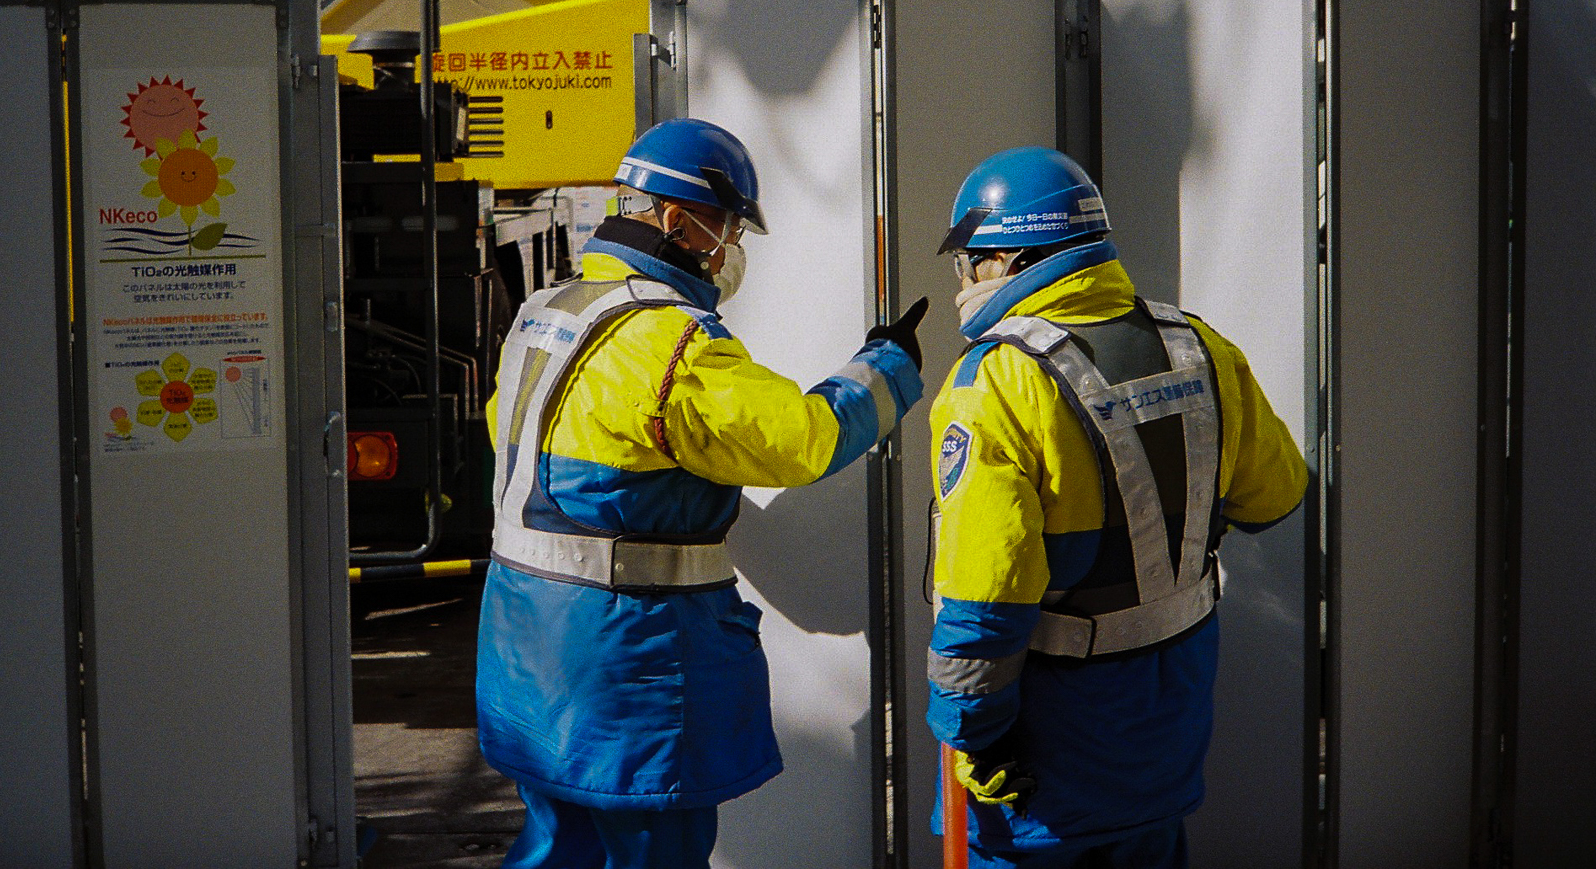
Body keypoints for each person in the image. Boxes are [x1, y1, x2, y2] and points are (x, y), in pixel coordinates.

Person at [477, 117, 928, 869]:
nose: (733, 248)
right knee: (656, 852)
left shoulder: (544, 314)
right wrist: (884, 369)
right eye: (728, 226)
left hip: (528, 654)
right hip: (628, 670)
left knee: (557, 850)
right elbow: (802, 435)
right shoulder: (673, 341)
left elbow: (533, 458)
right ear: (679, 221)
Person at [924, 147, 1308, 869]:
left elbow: (984, 602)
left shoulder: (997, 382)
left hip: (1040, 775)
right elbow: (1278, 493)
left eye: (971, 259)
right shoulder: (1200, 347)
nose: (965, 278)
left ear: (1008, 260)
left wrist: (973, 736)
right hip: (1163, 749)